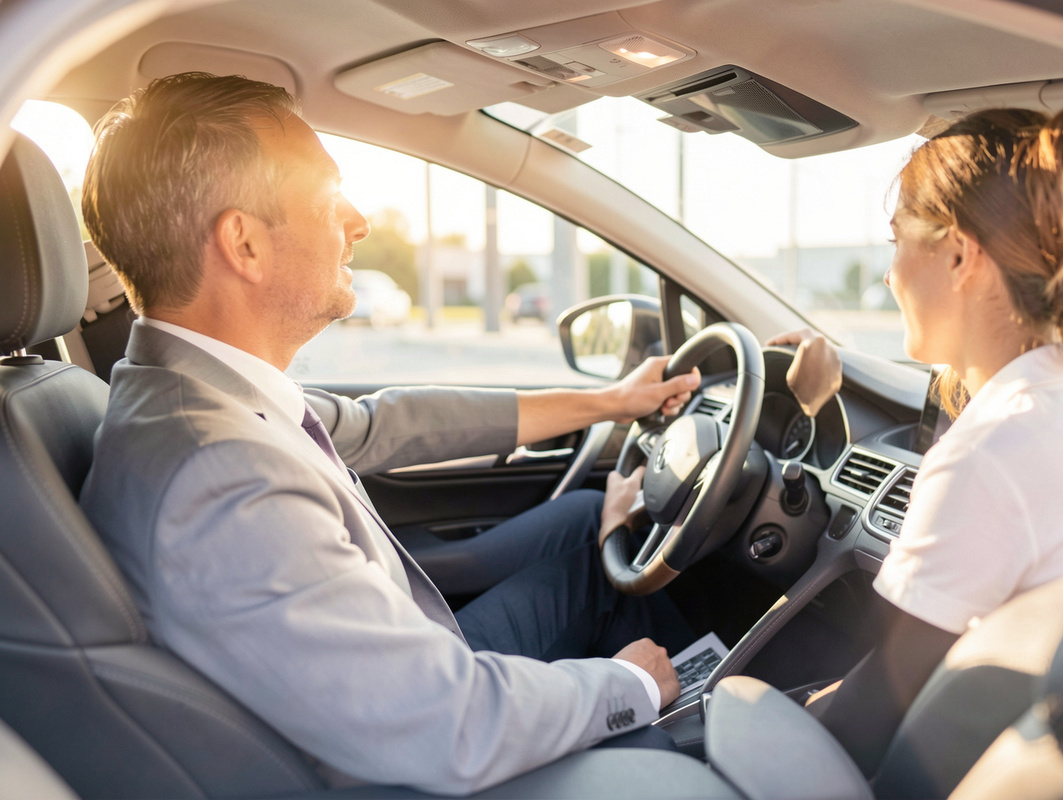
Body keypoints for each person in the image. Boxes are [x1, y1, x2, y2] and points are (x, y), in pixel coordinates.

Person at [78, 72, 701, 794]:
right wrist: (629, 685)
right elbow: (450, 726)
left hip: (394, 680)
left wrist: (611, 401)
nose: (359, 221)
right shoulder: (218, 474)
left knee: (587, 535)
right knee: (648, 711)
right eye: (328, 197)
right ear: (243, 244)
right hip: (405, 755)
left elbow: (388, 424)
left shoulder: (191, 390)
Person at [777, 104, 1063, 775]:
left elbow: (865, 722)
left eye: (896, 241)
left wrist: (761, 715)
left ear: (959, 255)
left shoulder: (987, 454)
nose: (890, 275)